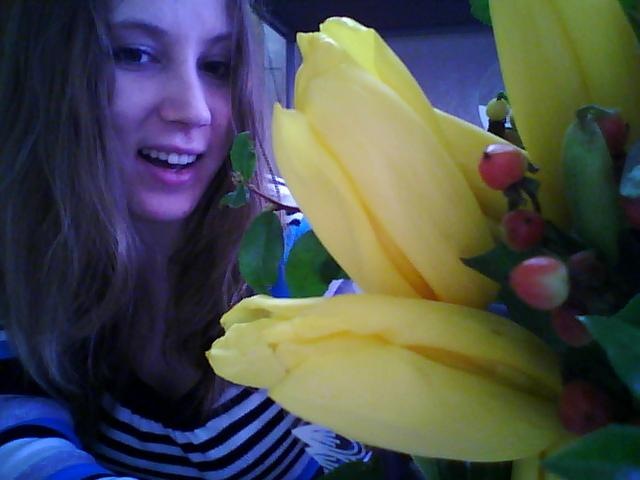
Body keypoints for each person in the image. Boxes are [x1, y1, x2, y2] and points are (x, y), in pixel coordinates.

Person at [0, 0, 372, 478]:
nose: (193, 111)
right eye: (135, 54)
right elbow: (20, 444)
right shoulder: (24, 278)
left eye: (217, 65)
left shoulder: (315, 257)